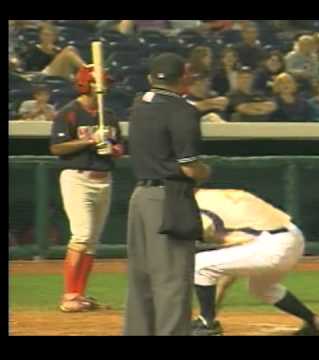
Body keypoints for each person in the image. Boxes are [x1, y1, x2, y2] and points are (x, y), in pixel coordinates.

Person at [125, 53, 211, 336]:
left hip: (139, 198)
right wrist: (204, 172)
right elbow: (189, 167)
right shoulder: (183, 111)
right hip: (168, 198)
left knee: (141, 279)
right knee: (172, 281)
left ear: (152, 77)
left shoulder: (139, 105)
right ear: (184, 78)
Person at [191, 188, 319, 336]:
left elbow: (235, 245)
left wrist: (209, 314)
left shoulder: (200, 208)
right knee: (261, 288)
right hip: (292, 236)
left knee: (200, 264)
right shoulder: (214, 195)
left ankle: (207, 323)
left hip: (273, 244)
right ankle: (317, 323)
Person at [49, 66, 125, 313]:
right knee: (81, 235)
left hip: (104, 179)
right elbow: (57, 147)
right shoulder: (69, 113)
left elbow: (121, 148)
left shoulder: (109, 115)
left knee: (91, 242)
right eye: (99, 82)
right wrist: (90, 141)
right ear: (86, 84)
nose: (104, 87)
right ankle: (69, 295)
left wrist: (111, 150)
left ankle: (78, 295)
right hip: (77, 178)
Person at [20, 23, 88, 80]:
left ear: (55, 37)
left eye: (51, 35)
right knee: (68, 53)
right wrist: (46, 51)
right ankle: (90, 72)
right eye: (45, 35)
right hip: (41, 75)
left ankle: (85, 77)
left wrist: (53, 53)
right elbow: (32, 67)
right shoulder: (34, 49)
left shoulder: (56, 50)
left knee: (71, 49)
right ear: (40, 35)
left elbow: (61, 64)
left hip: (59, 73)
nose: (48, 38)